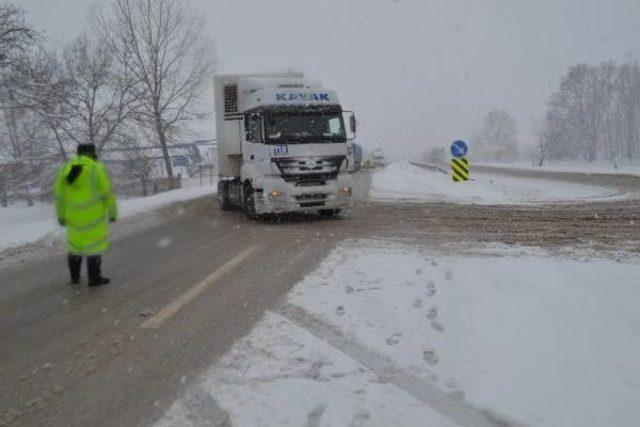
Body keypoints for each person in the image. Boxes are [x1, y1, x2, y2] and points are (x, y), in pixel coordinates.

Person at [53, 144, 117, 286]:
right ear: (92, 153)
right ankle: (94, 278)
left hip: (73, 218)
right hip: (93, 218)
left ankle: (75, 278)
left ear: (78, 154)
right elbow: (107, 193)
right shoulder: (96, 168)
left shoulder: (66, 169)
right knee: (93, 248)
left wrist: (61, 215)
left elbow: (59, 195)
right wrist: (112, 212)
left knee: (75, 246)